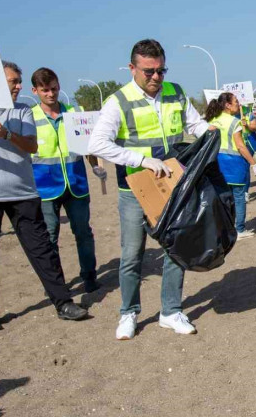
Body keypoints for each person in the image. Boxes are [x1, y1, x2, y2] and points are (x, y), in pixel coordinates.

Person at [89, 39, 211, 340]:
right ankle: (128, 313)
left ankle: (170, 311)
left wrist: (209, 131)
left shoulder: (175, 93)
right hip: (135, 190)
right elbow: (98, 144)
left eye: (161, 70)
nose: (156, 77)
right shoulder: (118, 101)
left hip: (171, 186)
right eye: (148, 71)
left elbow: (193, 125)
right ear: (132, 68)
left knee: (175, 249)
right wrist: (142, 160)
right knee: (132, 255)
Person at [0, 60, 89, 332]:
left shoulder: (23, 111)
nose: (18, 86)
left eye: (18, 81)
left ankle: (63, 302)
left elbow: (30, 145)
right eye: (13, 81)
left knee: (42, 249)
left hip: (22, 192)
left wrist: (6, 134)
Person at [29, 67, 103, 293]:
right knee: (49, 237)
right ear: (35, 91)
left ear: (59, 87)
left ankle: (89, 275)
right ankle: (55, 282)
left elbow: (87, 145)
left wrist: (95, 165)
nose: (50, 94)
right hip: (45, 187)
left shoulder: (74, 113)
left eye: (53, 89)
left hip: (77, 183)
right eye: (45, 90)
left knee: (83, 232)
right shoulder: (30, 117)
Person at [205, 92, 256, 238]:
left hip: (217, 164)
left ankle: (224, 228)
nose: (238, 104)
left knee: (223, 199)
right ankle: (240, 229)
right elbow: (241, 146)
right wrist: (254, 163)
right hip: (234, 165)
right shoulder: (233, 122)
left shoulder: (213, 120)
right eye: (236, 101)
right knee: (239, 198)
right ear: (228, 105)